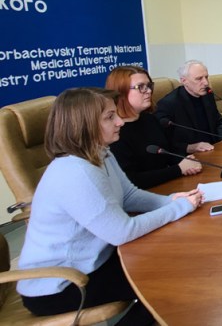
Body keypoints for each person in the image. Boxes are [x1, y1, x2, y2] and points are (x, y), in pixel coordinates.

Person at [17, 87, 203, 325]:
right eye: (109, 117)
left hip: (95, 261)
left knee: (173, 257)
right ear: (84, 125)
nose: (120, 122)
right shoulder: (75, 172)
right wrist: (178, 209)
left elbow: (129, 195)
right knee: (168, 280)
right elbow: (121, 232)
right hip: (60, 284)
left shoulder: (101, 152)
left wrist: (172, 200)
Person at [106, 65, 202, 189]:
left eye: (149, 85)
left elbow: (168, 152)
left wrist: (185, 161)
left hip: (168, 185)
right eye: (140, 87)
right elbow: (131, 180)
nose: (149, 91)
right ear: (121, 93)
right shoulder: (114, 132)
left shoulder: (150, 119)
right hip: (142, 195)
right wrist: (178, 169)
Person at [154, 60, 222, 154]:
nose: (205, 83)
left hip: (214, 148)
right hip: (189, 156)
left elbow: (219, 121)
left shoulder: (207, 95)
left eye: (206, 77)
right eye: (199, 79)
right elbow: (165, 142)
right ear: (184, 81)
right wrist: (189, 147)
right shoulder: (168, 104)